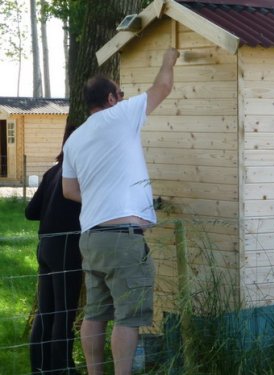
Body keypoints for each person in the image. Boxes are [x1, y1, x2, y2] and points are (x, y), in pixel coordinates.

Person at [62, 47, 178, 375]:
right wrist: (168, 60)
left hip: (92, 238)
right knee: (128, 318)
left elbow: (69, 191)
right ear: (113, 99)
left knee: (96, 313)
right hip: (122, 240)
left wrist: (103, 197)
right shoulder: (122, 115)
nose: (126, 98)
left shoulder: (75, 138)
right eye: (122, 93)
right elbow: (163, 88)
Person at [26, 125, 82, 374]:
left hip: (45, 246)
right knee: (64, 311)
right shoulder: (80, 173)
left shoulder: (52, 172)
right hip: (67, 247)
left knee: (45, 310)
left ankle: (40, 366)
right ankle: (62, 368)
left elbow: (30, 212)